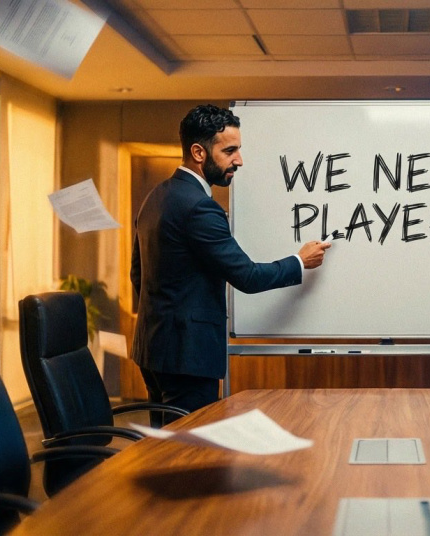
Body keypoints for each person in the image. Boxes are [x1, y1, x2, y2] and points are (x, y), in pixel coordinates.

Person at [131, 104, 330, 422]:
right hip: (188, 357)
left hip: (153, 349)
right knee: (193, 446)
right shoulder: (199, 208)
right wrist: (299, 261)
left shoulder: (157, 196)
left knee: (165, 444)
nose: (239, 160)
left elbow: (138, 274)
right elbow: (247, 277)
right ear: (198, 152)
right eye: (229, 151)